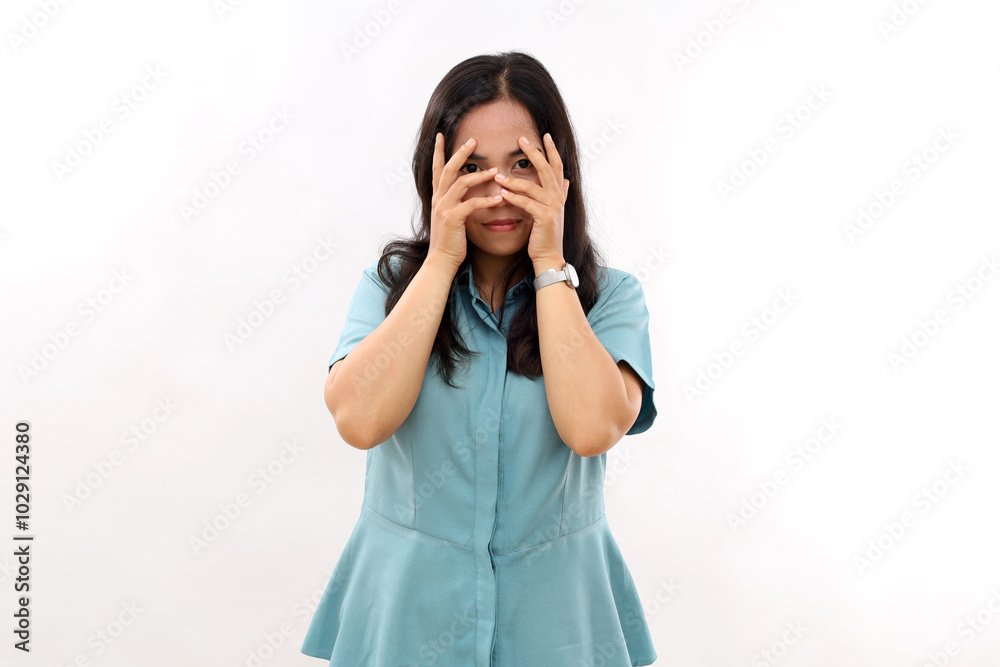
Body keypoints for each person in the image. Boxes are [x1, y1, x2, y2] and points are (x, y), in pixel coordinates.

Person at [300, 50, 658, 666]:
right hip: (407, 617)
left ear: (558, 170)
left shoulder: (609, 298)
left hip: (557, 620)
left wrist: (551, 267)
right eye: (473, 167)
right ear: (437, 174)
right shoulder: (389, 286)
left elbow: (592, 428)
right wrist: (440, 260)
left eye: (523, 165)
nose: (499, 192)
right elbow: (358, 421)